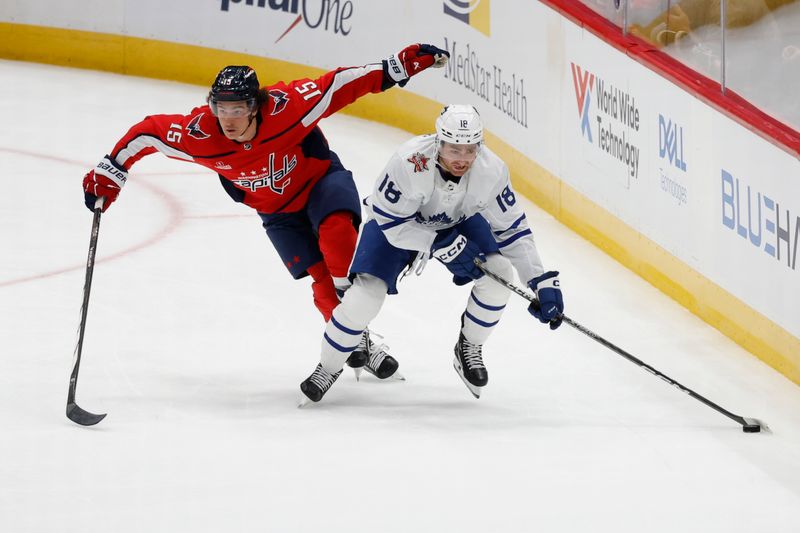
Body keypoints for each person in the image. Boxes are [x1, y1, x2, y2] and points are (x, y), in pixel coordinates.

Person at [82, 44, 450, 378]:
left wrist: (398, 66)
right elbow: (147, 134)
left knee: (337, 234)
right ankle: (354, 338)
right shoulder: (200, 135)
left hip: (320, 182)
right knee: (321, 281)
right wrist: (111, 171)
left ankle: (349, 308)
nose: (228, 119)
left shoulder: (287, 108)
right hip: (276, 213)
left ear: (256, 106)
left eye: (238, 109)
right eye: (220, 108)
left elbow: (339, 85)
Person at [300, 105, 565, 404]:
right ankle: (328, 366)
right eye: (454, 148)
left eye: (470, 149)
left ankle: (469, 346)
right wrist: (438, 241)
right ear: (439, 142)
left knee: (500, 273)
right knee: (365, 297)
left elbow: (513, 229)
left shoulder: (492, 170)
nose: (462, 159)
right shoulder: (408, 161)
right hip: (399, 226)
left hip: (457, 222)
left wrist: (539, 280)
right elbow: (390, 223)